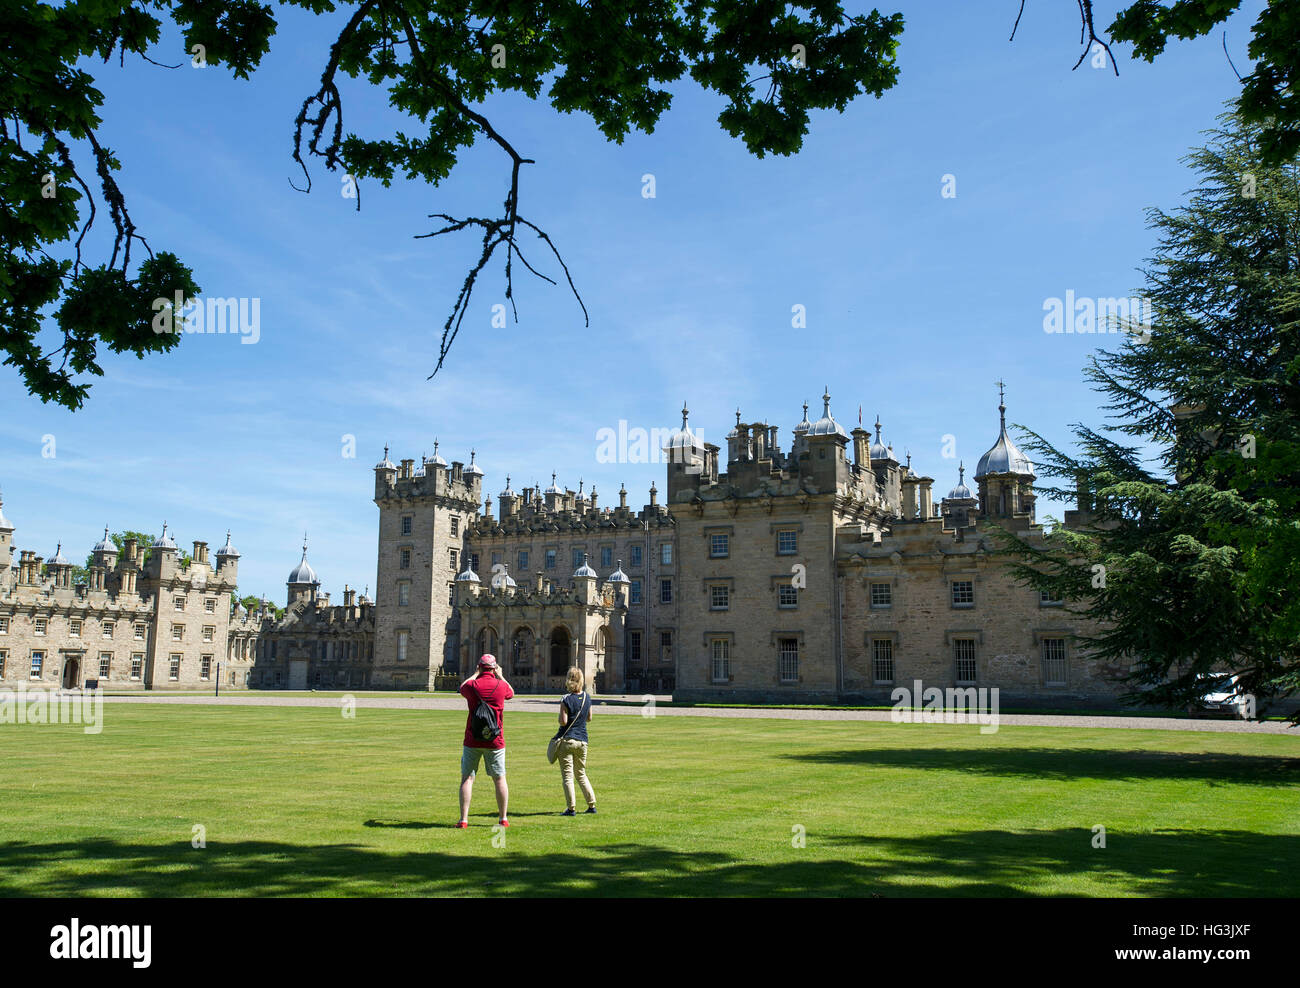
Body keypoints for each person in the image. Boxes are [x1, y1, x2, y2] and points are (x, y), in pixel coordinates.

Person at [457, 654, 514, 828]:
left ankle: (464, 819)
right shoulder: (501, 685)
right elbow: (511, 693)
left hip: (472, 739)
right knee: (499, 779)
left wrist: (474, 674)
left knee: (467, 778)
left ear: (480, 667)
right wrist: (501, 675)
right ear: (494, 668)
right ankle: (503, 818)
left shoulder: (472, 685)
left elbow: (462, 687)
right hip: (495, 740)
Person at [555, 667, 596, 816]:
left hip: (568, 741)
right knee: (581, 774)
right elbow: (589, 718)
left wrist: (561, 717)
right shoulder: (587, 698)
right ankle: (591, 804)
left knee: (567, 776)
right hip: (583, 741)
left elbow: (563, 721)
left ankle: (571, 808)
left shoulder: (565, 699)